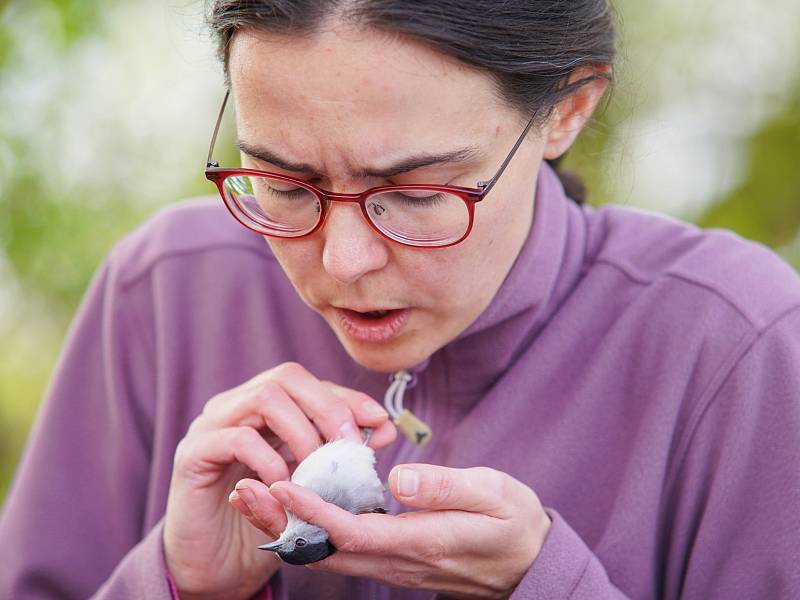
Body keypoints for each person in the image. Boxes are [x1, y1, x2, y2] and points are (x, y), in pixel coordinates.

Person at [1, 1, 799, 598]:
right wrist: (176, 581)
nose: (344, 264)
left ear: (567, 109)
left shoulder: (738, 346)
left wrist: (548, 585)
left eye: (414, 192)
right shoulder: (165, 294)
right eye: (285, 183)